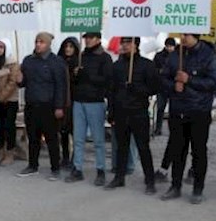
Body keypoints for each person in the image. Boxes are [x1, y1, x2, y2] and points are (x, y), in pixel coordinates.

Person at [159, 33, 216, 204]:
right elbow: (163, 79)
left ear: (195, 35)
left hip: (199, 111)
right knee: (178, 150)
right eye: (182, 34)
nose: (183, 38)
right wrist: (174, 85)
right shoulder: (175, 55)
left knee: (199, 151)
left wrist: (189, 80)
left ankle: (197, 188)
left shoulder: (208, 56)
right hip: (177, 110)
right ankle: (175, 186)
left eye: (186, 35)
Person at [105, 37, 160, 194]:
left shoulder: (147, 65)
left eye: (129, 43)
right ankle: (119, 177)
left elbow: (155, 88)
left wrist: (137, 88)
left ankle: (150, 180)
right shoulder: (117, 66)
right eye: (124, 43)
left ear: (136, 45)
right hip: (121, 112)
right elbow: (111, 91)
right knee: (121, 147)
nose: (125, 46)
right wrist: (111, 111)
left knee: (143, 147)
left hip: (139, 112)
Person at [14, 32, 67, 180]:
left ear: (48, 44)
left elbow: (60, 86)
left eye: (41, 42)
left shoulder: (56, 62)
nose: (38, 44)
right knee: (33, 137)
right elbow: (23, 83)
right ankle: (32, 165)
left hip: (48, 106)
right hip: (31, 105)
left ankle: (55, 168)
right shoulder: (28, 60)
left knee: (51, 138)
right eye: (37, 41)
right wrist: (19, 80)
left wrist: (59, 106)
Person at [65, 32, 113, 186]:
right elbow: (74, 80)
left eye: (90, 38)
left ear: (98, 39)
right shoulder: (81, 56)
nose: (87, 40)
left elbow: (107, 80)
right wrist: (76, 75)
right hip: (79, 101)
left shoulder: (104, 58)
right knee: (78, 138)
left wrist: (88, 76)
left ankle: (100, 170)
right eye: (85, 38)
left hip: (95, 102)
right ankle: (77, 168)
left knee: (98, 140)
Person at [0, 39, 20, 166]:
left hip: (9, 100)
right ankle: (0, 151)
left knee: (9, 127)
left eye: (2, 47)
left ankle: (9, 154)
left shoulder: (13, 64)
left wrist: (1, 97)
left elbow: (12, 82)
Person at [57, 37, 80, 169]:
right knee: (63, 131)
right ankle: (65, 157)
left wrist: (79, 74)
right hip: (62, 101)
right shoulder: (59, 62)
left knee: (75, 131)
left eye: (71, 47)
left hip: (75, 101)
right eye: (66, 46)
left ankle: (74, 158)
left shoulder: (79, 63)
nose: (68, 49)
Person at [152, 37, 176, 136]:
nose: (170, 48)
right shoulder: (159, 56)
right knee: (160, 109)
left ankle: (174, 130)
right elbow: (153, 69)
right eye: (168, 46)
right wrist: (159, 71)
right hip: (161, 86)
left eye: (171, 46)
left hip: (173, 86)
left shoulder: (177, 56)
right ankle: (158, 128)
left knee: (174, 110)